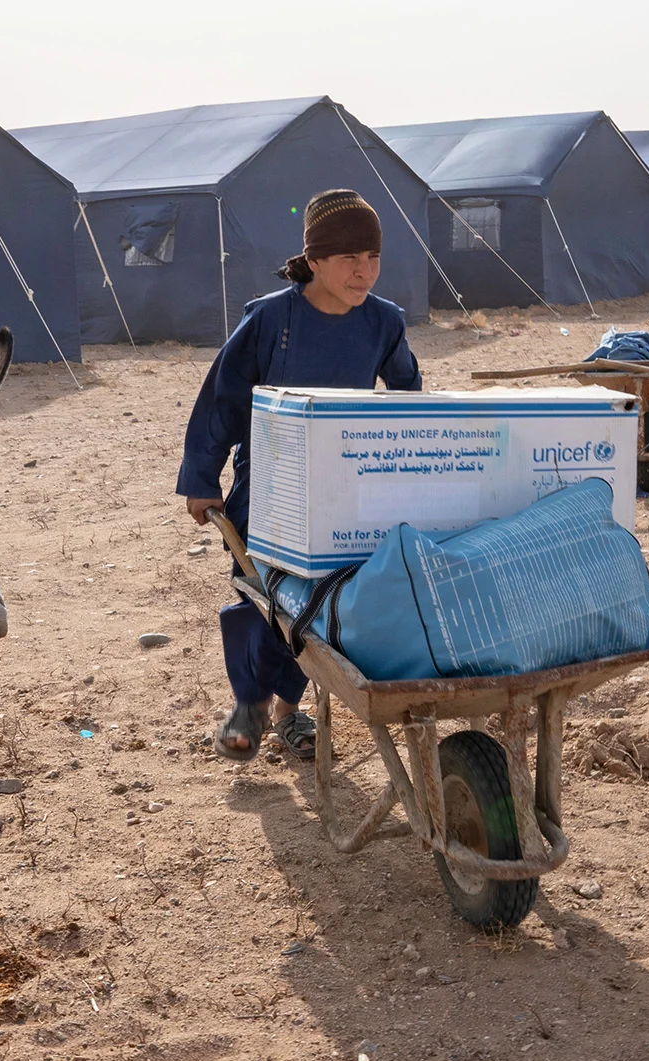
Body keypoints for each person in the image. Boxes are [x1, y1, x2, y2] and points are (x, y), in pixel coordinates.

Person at [177, 189, 421, 761]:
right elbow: (223, 400)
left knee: (320, 601)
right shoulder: (269, 319)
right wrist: (202, 478)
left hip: (346, 487)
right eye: (349, 260)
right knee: (263, 595)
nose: (364, 272)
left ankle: (289, 710)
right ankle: (250, 703)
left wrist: (403, 460)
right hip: (267, 488)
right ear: (314, 261)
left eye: (374, 259)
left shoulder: (385, 322)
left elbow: (408, 395)